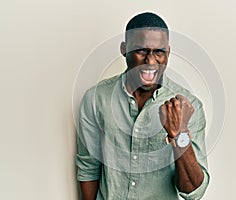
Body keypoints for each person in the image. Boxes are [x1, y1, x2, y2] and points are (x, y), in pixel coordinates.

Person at [76, 12, 210, 200]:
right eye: (141, 50)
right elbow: (89, 168)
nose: (150, 61)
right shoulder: (96, 99)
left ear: (168, 53)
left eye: (159, 52)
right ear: (124, 49)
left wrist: (180, 134)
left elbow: (193, 191)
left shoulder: (188, 106)